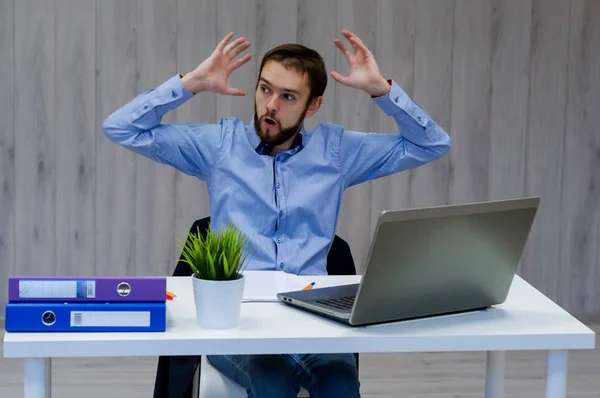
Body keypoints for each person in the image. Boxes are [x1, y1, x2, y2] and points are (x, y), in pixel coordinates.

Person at [102, 30, 451, 398]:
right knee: (274, 383)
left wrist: (384, 91)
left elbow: (432, 144)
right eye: (265, 89)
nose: (271, 105)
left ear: (312, 106)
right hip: (240, 324)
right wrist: (191, 84)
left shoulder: (335, 153)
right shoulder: (221, 147)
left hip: (312, 322)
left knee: (340, 383)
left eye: (288, 97)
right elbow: (121, 128)